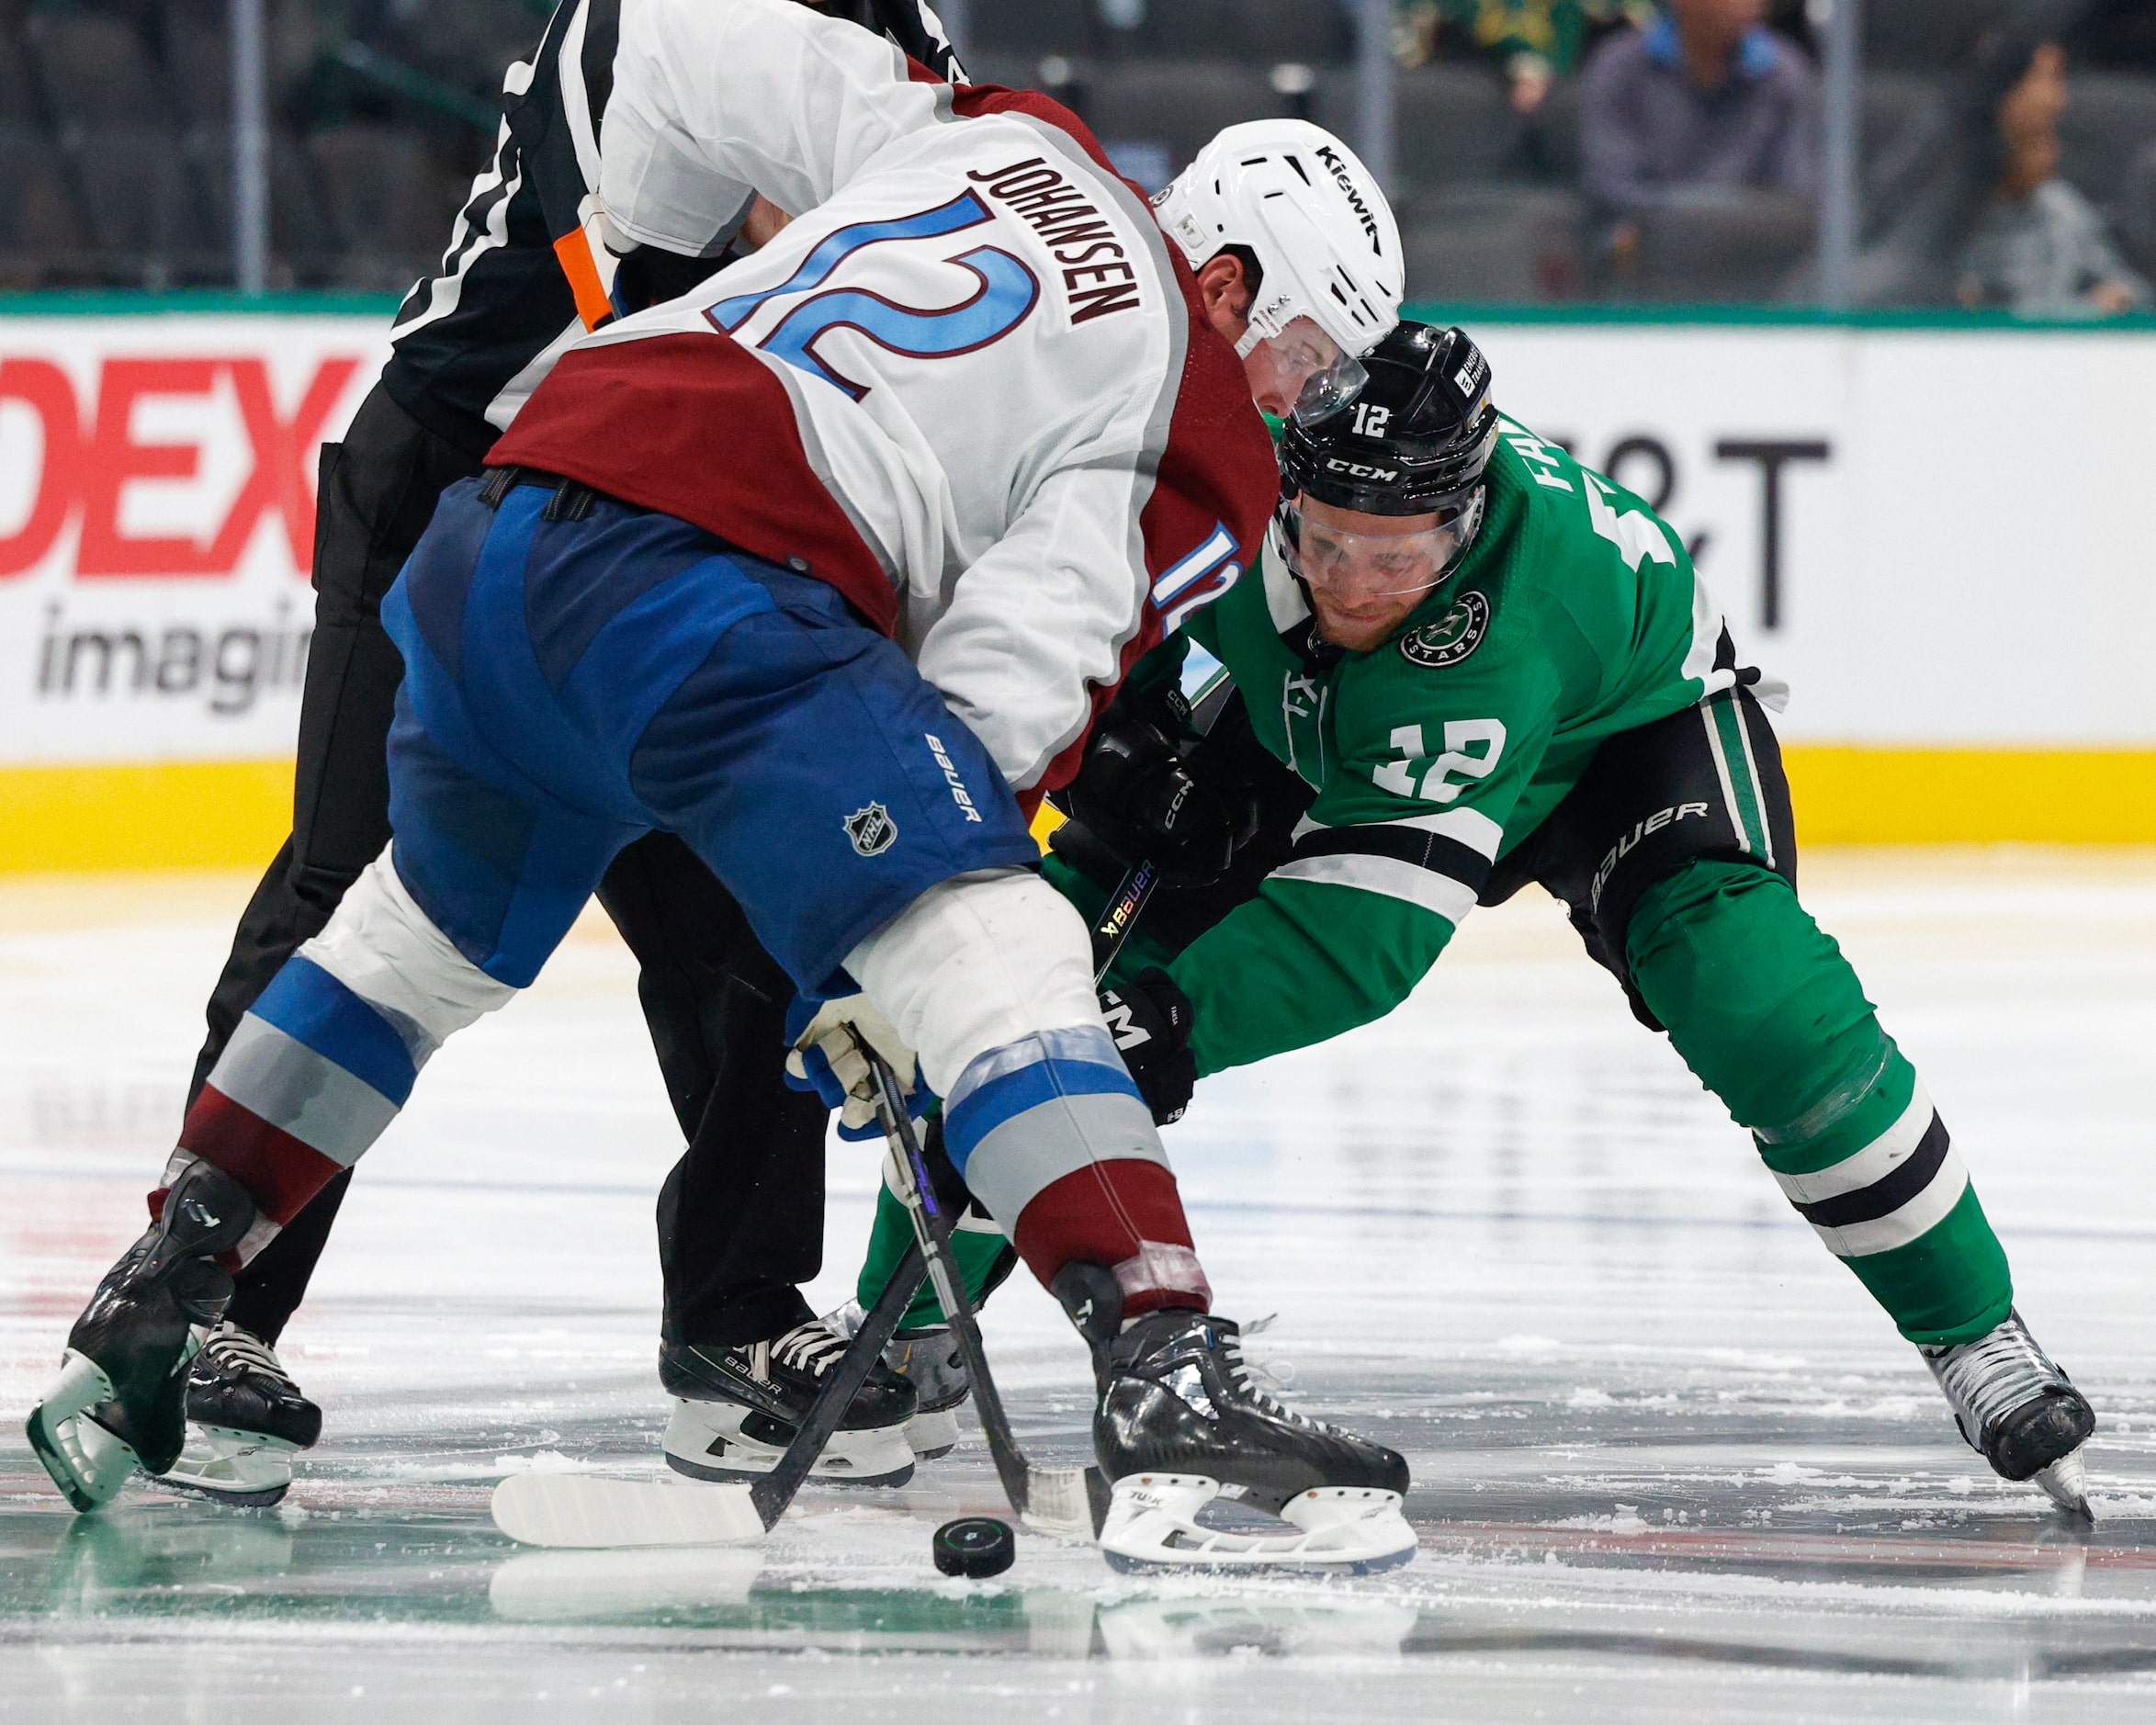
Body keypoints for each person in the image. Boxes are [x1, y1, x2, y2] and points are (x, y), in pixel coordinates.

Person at [29, 0, 1422, 1571]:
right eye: (1303, 355)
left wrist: (635, 252)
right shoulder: (1199, 422)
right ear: (1226, 277)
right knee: (993, 941)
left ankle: (168, 1281)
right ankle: (1162, 1367)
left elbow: (673, 44)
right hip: (696, 586)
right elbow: (1017, 670)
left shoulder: (1007, 131)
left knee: (410, 931)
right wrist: (900, 932)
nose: (1295, 403)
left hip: (507, 513)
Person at [855, 320, 2098, 1517]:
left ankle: (1972, 1330)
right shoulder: (1232, 493)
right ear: (1282, 488)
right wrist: (1123, 727)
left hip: (1614, 738)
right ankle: (899, 1338)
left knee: (1755, 999)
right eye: (1325, 544)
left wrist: (1170, 1020)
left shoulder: (1511, 622)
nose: (1352, 586)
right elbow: (1079, 609)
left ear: (1462, 523)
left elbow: (1363, 928)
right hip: (1333, 725)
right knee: (1033, 979)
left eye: (1395, 558)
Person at [151, 0, 972, 1508]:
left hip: (659, 524)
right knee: (355, 894)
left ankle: (734, 1323)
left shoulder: (878, 25)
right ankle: (200, 1305)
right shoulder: (644, 23)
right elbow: (751, 244)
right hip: (463, 477)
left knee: (754, 921)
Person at [1578, 0, 1821, 276]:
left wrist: (1722, 229)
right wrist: (1680, 227)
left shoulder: (1785, 73)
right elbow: (1611, 187)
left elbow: (1796, 196)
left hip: (1753, 271)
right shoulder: (1619, 67)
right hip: (1645, 271)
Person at [1956, 39, 2150, 315]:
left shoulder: (2060, 210)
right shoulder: (1947, 215)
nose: (2057, 99)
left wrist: (2108, 304)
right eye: (2042, 78)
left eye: (2058, 78)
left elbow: (2127, 293)